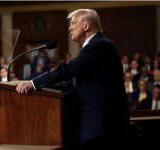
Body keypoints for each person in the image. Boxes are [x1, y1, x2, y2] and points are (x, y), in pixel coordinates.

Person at [15, 9, 130, 149]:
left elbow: (68, 69)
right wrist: (48, 87)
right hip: (100, 124)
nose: (70, 28)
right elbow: (77, 80)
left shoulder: (99, 45)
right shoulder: (97, 44)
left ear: (86, 26)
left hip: (102, 125)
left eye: (73, 23)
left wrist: (33, 83)